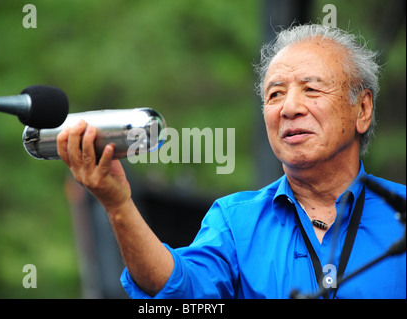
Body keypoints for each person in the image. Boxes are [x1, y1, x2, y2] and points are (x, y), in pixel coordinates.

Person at [56, 24, 406, 299]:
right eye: (275, 94)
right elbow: (177, 292)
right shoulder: (235, 222)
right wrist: (117, 203)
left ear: (362, 110)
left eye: (311, 89)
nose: (289, 107)